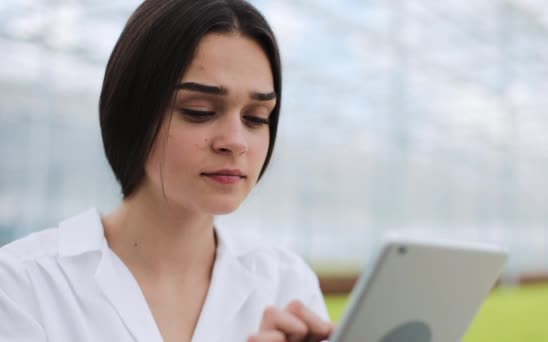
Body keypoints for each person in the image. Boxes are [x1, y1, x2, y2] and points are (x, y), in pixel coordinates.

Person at [0, 0, 335, 341]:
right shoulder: (22, 285)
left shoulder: (286, 284)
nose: (236, 142)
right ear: (133, 114)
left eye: (256, 117)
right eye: (200, 110)